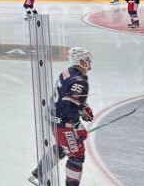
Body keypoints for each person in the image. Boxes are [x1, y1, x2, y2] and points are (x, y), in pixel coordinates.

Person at [29, 47, 94, 186]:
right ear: (81, 61)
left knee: (63, 147)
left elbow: (68, 97)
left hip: (55, 117)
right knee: (76, 155)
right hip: (64, 123)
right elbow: (69, 107)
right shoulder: (79, 82)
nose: (90, 62)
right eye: (88, 60)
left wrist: (83, 108)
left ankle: (39, 173)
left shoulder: (68, 72)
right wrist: (77, 125)